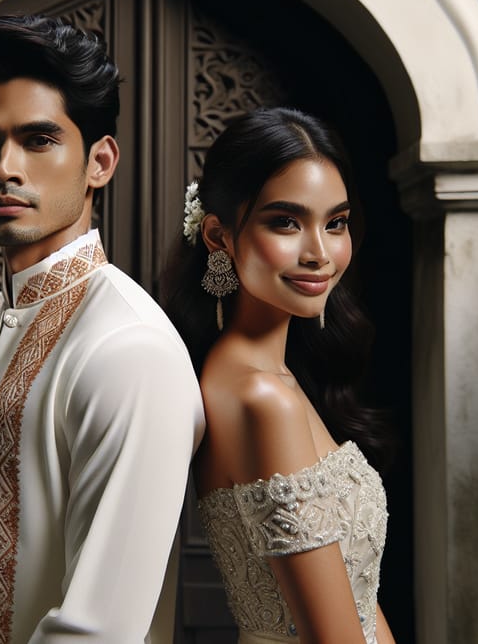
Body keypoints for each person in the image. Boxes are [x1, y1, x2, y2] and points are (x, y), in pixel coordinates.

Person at [0, 14, 204, 644]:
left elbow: (98, 629)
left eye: (38, 140)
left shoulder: (130, 348)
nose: (2, 168)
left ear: (99, 161)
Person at [162, 107, 395, 644]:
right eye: (286, 222)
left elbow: (358, 603)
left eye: (334, 223)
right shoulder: (263, 397)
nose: (319, 253)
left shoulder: (258, 374)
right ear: (218, 236)